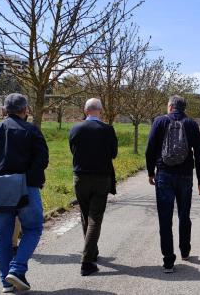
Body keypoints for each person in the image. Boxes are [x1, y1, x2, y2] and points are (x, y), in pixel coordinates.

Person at [0, 93, 48, 293]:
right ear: (25, 110)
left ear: (5, 110)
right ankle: (17, 269)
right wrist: (28, 180)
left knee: (3, 237)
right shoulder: (32, 132)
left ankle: (6, 282)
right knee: (33, 228)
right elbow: (42, 160)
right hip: (25, 188)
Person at [146, 95, 200, 273]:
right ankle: (185, 250)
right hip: (185, 176)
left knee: (165, 218)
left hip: (164, 174)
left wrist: (151, 172)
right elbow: (199, 155)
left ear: (170, 107)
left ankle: (168, 261)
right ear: (183, 108)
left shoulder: (159, 122)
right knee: (184, 215)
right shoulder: (191, 124)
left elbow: (150, 149)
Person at [69, 98, 118, 276]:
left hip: (80, 177)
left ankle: (92, 251)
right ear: (101, 110)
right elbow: (113, 153)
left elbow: (72, 150)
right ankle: (87, 261)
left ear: (85, 110)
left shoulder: (75, 128)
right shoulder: (107, 130)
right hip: (100, 178)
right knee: (95, 218)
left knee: (85, 215)